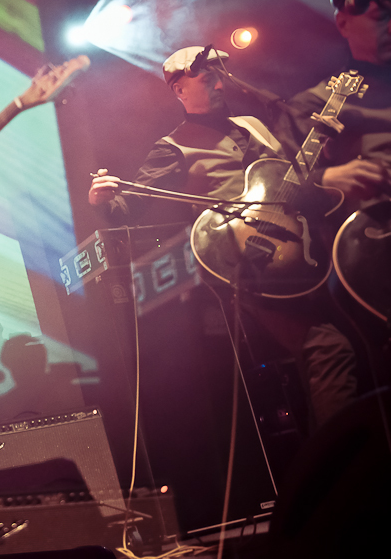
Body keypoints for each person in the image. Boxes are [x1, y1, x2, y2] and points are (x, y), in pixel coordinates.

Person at [88, 46, 358, 430]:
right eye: (207, 78)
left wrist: (325, 156)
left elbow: (294, 184)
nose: (219, 85)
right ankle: (346, 455)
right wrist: (101, 201)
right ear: (180, 90)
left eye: (220, 77)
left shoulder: (254, 124)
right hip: (246, 265)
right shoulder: (172, 147)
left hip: (303, 252)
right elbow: (127, 208)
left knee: (352, 337)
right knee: (327, 348)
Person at [276, 0, 391, 210]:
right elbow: (272, 191)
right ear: (343, 23)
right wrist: (323, 181)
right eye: (381, 17)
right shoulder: (314, 105)